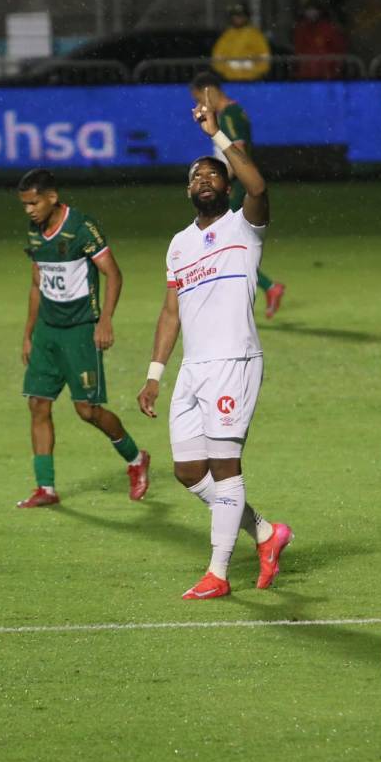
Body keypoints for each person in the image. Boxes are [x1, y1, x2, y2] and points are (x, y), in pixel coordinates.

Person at [136, 92, 293, 600]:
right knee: (187, 473)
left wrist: (217, 137)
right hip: (192, 370)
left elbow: (259, 183)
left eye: (212, 174)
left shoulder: (244, 228)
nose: (202, 180)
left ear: (226, 184)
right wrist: (155, 374)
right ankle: (267, 534)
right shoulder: (179, 244)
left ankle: (219, 574)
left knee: (225, 468)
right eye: (194, 177)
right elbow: (170, 310)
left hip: (234, 363)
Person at [15, 168, 150, 508]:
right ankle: (46, 487)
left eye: (34, 203)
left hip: (79, 331)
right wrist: (28, 334)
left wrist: (105, 320)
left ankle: (136, 460)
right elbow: (37, 283)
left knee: (87, 411)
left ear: (52, 197)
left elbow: (114, 274)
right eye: (25, 205)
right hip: (47, 330)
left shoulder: (81, 228)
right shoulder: (35, 231)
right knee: (37, 404)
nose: (29, 210)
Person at [188, 71, 286, 318]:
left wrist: (220, 181)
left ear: (209, 91)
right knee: (225, 243)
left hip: (236, 188)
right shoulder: (234, 112)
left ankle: (257, 290)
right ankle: (265, 288)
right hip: (237, 186)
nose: (198, 105)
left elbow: (239, 152)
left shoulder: (229, 116)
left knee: (221, 243)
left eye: (199, 98)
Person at [211, 2, 271, 82]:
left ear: (246, 17)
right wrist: (227, 70)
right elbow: (217, 57)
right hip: (230, 80)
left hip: (252, 80)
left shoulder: (255, 35)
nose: (237, 19)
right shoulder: (227, 36)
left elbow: (264, 57)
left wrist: (254, 70)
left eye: (240, 16)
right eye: (235, 16)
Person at [292, 0, 347, 80]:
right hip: (305, 75)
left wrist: (336, 71)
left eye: (314, 9)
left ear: (320, 11)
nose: (311, 13)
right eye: (308, 9)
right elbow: (298, 50)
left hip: (328, 75)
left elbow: (339, 50)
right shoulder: (300, 29)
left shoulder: (330, 29)